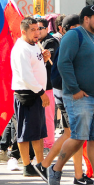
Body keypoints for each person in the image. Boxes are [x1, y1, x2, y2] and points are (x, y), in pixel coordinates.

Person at [47, 5, 94, 185]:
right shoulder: (74, 35)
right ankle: (55, 170)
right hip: (79, 97)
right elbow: (64, 63)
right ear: (86, 19)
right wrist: (74, 89)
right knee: (78, 137)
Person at [34, 14, 94, 185]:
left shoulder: (70, 41)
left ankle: (77, 174)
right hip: (66, 93)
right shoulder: (69, 42)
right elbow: (66, 69)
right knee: (74, 134)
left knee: (73, 134)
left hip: (65, 92)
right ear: (63, 29)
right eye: (75, 28)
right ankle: (46, 165)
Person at [10, 17, 50, 177]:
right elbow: (26, 75)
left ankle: (40, 163)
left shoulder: (34, 46)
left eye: (38, 29)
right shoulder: (21, 48)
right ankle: (27, 164)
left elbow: (36, 68)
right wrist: (41, 93)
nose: (37, 33)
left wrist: (45, 60)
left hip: (37, 93)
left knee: (38, 132)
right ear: (23, 31)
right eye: (32, 30)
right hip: (27, 94)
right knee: (25, 132)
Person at [37, 18, 59, 153]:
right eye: (34, 28)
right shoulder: (38, 42)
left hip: (49, 84)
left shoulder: (51, 41)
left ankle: (49, 143)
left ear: (46, 29)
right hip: (41, 85)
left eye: (39, 28)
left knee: (48, 116)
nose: (37, 31)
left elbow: (48, 57)